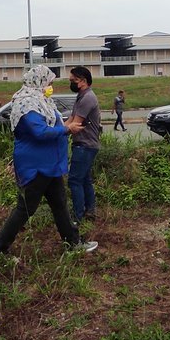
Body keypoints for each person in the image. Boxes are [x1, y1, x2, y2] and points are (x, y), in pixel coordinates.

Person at [0, 64, 97, 255]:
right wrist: (66, 129)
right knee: (25, 208)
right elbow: (39, 131)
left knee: (59, 203)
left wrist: (66, 126)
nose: (50, 85)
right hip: (36, 165)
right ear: (39, 81)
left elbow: (54, 122)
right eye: (49, 82)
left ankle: (73, 242)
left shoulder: (42, 100)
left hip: (50, 165)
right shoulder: (26, 103)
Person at [66, 65, 101, 224]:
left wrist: (55, 133)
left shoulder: (87, 98)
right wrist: (56, 127)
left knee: (74, 180)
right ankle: (90, 210)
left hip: (85, 145)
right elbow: (70, 121)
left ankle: (77, 217)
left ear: (83, 81)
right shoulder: (81, 96)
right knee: (84, 179)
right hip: (85, 144)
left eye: (74, 80)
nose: (71, 83)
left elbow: (75, 124)